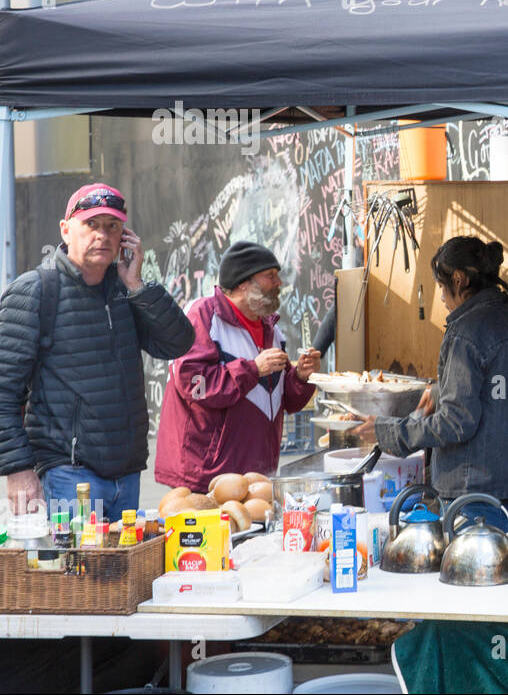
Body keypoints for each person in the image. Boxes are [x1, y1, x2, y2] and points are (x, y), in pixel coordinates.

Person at [0, 184, 195, 520]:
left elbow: (178, 343)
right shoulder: (35, 291)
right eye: (92, 224)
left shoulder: (126, 290)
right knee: (76, 573)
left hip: (128, 476)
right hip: (67, 476)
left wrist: (137, 285)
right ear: (66, 229)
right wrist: (17, 470)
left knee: (122, 573)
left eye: (113, 226)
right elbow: (3, 391)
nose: (103, 235)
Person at [356, 236, 508, 531]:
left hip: (473, 498)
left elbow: (456, 422)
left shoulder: (465, 333)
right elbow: (499, 392)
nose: (442, 297)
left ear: (459, 280)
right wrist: (442, 390)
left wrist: (389, 431)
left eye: (442, 287)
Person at [155, 241, 320, 490]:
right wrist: (253, 369)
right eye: (270, 276)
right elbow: (194, 385)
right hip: (207, 479)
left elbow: (285, 401)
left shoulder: (271, 330)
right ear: (244, 283)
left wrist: (301, 378)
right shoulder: (203, 315)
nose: (279, 283)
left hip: (257, 477)